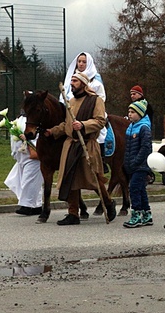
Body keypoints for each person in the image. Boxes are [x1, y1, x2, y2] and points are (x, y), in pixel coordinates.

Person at [46, 72, 117, 225]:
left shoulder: (95, 101)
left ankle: (108, 203)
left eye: (75, 81)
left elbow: (100, 121)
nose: (72, 84)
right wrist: (53, 131)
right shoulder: (70, 101)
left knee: (93, 178)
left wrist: (83, 125)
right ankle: (73, 213)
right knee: (70, 178)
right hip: (71, 145)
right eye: (71, 81)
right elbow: (67, 124)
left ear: (83, 84)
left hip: (87, 145)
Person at [61, 52, 110, 163]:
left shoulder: (96, 81)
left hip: (92, 110)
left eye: (84, 62)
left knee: (101, 133)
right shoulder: (71, 79)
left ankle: (101, 157)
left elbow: (101, 98)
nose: (81, 64)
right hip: (72, 109)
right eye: (79, 61)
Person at [4, 113, 43, 216]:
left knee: (29, 181)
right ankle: (37, 206)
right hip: (22, 157)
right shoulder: (20, 119)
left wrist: (27, 138)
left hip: (32, 156)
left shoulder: (36, 120)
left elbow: (36, 135)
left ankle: (27, 206)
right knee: (31, 182)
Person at [122, 100, 153, 228]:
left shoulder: (143, 128)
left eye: (133, 112)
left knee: (134, 188)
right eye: (129, 111)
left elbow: (145, 148)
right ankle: (147, 214)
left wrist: (136, 161)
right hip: (132, 164)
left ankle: (136, 215)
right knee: (140, 189)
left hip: (141, 165)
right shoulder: (131, 127)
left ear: (140, 114)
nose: (130, 114)